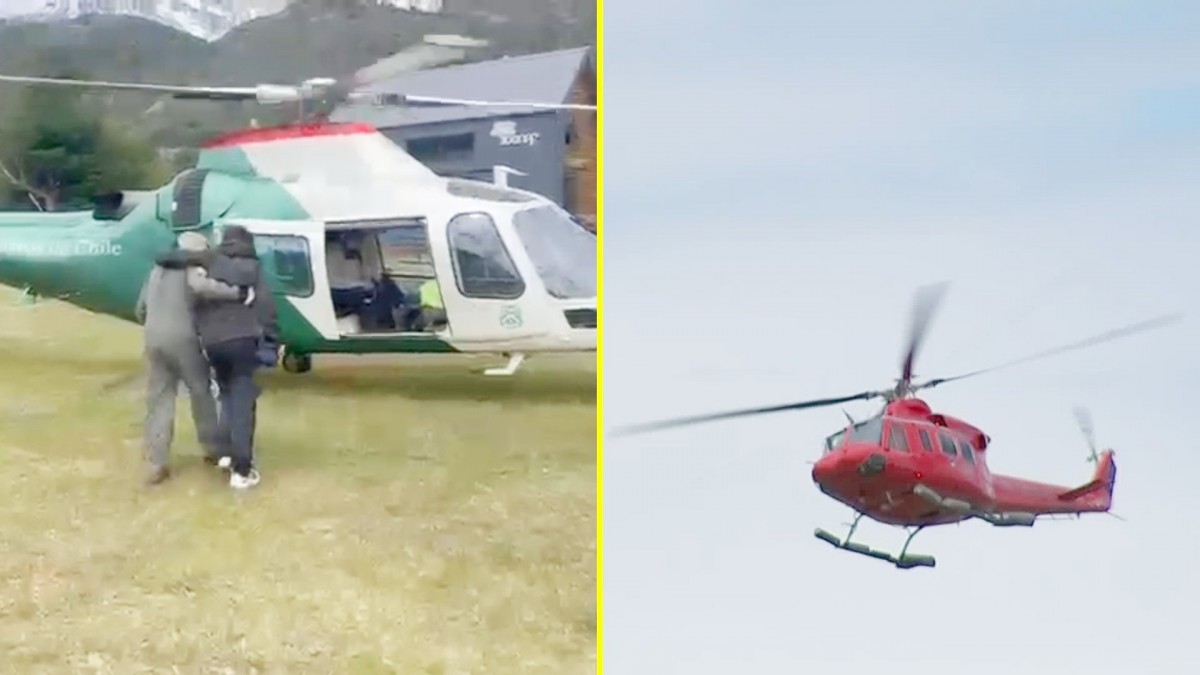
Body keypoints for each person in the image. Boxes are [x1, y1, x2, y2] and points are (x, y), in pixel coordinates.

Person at [159, 225, 278, 489]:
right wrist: (270, 343)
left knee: (226, 394)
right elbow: (266, 307)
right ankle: (243, 469)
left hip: (213, 342)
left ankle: (224, 453)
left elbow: (174, 261)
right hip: (244, 339)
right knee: (243, 400)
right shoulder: (254, 268)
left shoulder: (209, 260)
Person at [134, 231, 249, 486]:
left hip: (153, 338)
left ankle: (156, 462)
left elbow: (140, 308)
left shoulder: (157, 268)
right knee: (200, 392)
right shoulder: (190, 266)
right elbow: (202, 287)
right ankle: (212, 449)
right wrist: (238, 293)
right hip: (183, 338)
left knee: (159, 400)